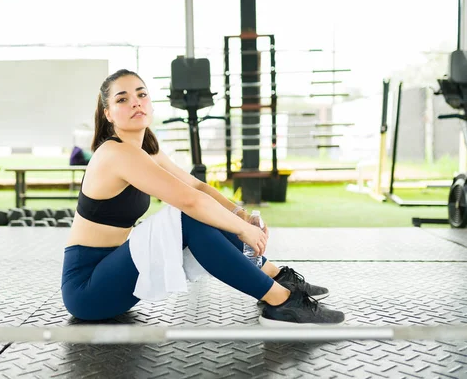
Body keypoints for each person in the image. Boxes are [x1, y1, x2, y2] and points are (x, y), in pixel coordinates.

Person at [62, 68, 345, 326]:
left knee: (200, 215)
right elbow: (189, 202)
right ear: (108, 113)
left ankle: (273, 276)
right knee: (190, 218)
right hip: (88, 288)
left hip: (119, 276)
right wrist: (243, 229)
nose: (135, 102)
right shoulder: (115, 153)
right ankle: (281, 302)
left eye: (142, 94)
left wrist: (240, 214)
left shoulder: (147, 151)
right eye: (122, 99)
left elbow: (197, 188)